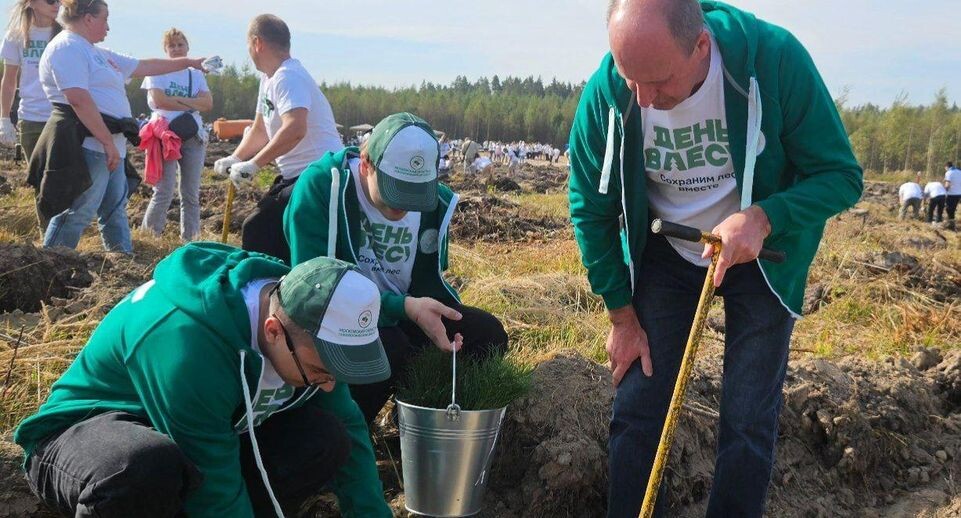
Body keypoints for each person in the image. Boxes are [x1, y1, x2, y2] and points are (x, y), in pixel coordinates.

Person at [568, 1, 863, 516]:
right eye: (627, 76)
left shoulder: (774, 61)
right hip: (667, 253)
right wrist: (621, 315)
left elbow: (841, 176)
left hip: (762, 256)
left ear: (701, 46)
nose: (643, 97)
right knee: (638, 405)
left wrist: (764, 216)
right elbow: (589, 209)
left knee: (747, 418)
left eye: (658, 81)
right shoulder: (611, 93)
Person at [15, 243, 393, 517]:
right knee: (145, 468)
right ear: (273, 330)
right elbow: (213, 480)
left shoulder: (310, 325)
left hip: (195, 438)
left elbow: (348, 423)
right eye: (321, 371)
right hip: (86, 439)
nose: (328, 384)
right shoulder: (189, 344)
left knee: (325, 437)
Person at [284, 112, 509, 425]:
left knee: (486, 334)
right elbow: (312, 291)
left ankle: (416, 418)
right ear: (366, 163)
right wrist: (402, 307)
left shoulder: (436, 206)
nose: (401, 209)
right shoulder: (323, 187)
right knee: (390, 348)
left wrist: (441, 317)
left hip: (404, 311)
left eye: (413, 197)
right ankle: (347, 432)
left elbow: (428, 279)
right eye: (392, 197)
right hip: (337, 318)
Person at [31, 0, 213, 253]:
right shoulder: (67, 47)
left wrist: (189, 62)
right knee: (79, 210)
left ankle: (121, 259)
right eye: (105, 19)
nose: (108, 27)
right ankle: (53, 262)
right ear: (88, 18)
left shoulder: (98, 52)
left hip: (109, 144)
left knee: (114, 209)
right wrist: (106, 141)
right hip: (89, 143)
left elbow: (144, 66)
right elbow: (78, 100)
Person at [214, 14, 342, 264]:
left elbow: (295, 128)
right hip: (295, 175)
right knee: (265, 231)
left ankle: (269, 291)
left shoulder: (288, 76)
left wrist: (255, 165)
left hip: (319, 175)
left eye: (248, 46)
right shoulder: (268, 79)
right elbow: (261, 130)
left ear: (257, 43)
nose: (249, 52)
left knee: (259, 229)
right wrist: (237, 157)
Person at [139, 28, 212, 242]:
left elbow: (208, 104)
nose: (177, 49)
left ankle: (190, 240)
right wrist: (191, 103)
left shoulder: (195, 74)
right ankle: (149, 239)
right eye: (172, 46)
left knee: (190, 194)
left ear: (187, 47)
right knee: (163, 190)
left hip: (193, 135)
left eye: (180, 45)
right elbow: (159, 100)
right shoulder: (157, 71)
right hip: (164, 136)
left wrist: (178, 102)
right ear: (165, 49)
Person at [0, 0, 62, 160]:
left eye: (59, 1)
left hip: (61, 118)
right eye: (50, 1)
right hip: (30, 118)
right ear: (31, 3)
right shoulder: (15, 36)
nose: (57, 5)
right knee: (37, 179)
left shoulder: (66, 35)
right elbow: (9, 80)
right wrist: (5, 119)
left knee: (58, 178)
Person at [944, 161, 961, 230]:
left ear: (947, 167)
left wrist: (944, 191)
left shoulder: (949, 172)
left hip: (951, 194)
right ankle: (951, 224)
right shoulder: (959, 171)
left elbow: (947, 184)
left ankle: (951, 225)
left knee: (949, 209)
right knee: (953, 209)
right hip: (959, 193)